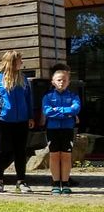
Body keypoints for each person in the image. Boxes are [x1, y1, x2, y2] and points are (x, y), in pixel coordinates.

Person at [0, 51, 35, 194]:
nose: (22, 63)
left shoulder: (23, 79)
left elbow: (28, 99)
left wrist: (30, 116)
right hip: (2, 120)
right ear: (11, 62)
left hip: (22, 121)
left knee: (20, 151)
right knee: (1, 150)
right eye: (19, 60)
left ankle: (21, 182)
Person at [41, 66, 79, 195]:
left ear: (68, 82)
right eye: (58, 80)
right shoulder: (47, 97)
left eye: (64, 80)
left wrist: (58, 110)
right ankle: (56, 183)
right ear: (53, 82)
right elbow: (47, 112)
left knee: (66, 156)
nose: (61, 82)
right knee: (54, 155)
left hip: (67, 129)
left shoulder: (73, 96)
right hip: (53, 129)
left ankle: (66, 182)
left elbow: (75, 109)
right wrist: (67, 113)